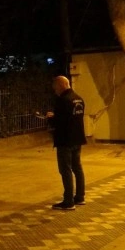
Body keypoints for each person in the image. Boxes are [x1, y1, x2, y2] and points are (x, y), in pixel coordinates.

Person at [46, 75, 87, 210]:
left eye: (56, 88)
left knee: (65, 170)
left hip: (65, 140)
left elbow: (60, 122)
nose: (55, 91)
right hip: (77, 138)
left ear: (62, 85)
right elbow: (71, 118)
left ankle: (68, 201)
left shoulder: (63, 100)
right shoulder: (78, 98)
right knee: (77, 168)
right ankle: (80, 197)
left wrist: (51, 118)